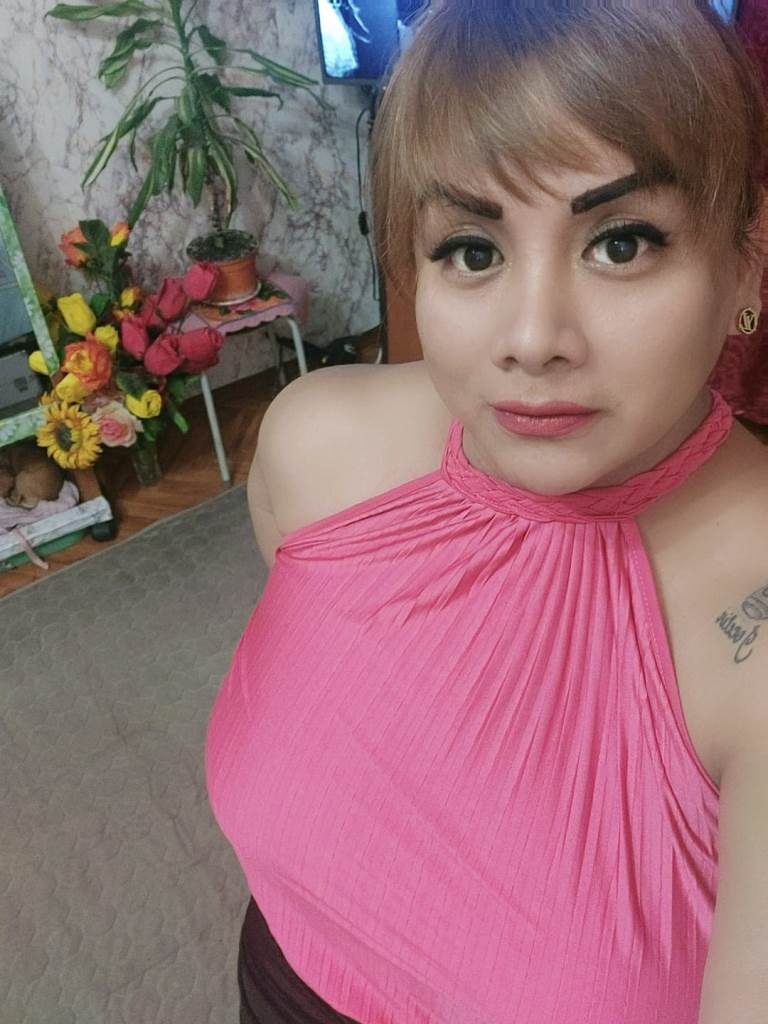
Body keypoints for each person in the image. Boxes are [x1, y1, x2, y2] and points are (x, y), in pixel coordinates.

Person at [205, 2, 768, 1021]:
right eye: (472, 250)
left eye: (622, 243)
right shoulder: (317, 444)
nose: (533, 337)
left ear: (747, 258)